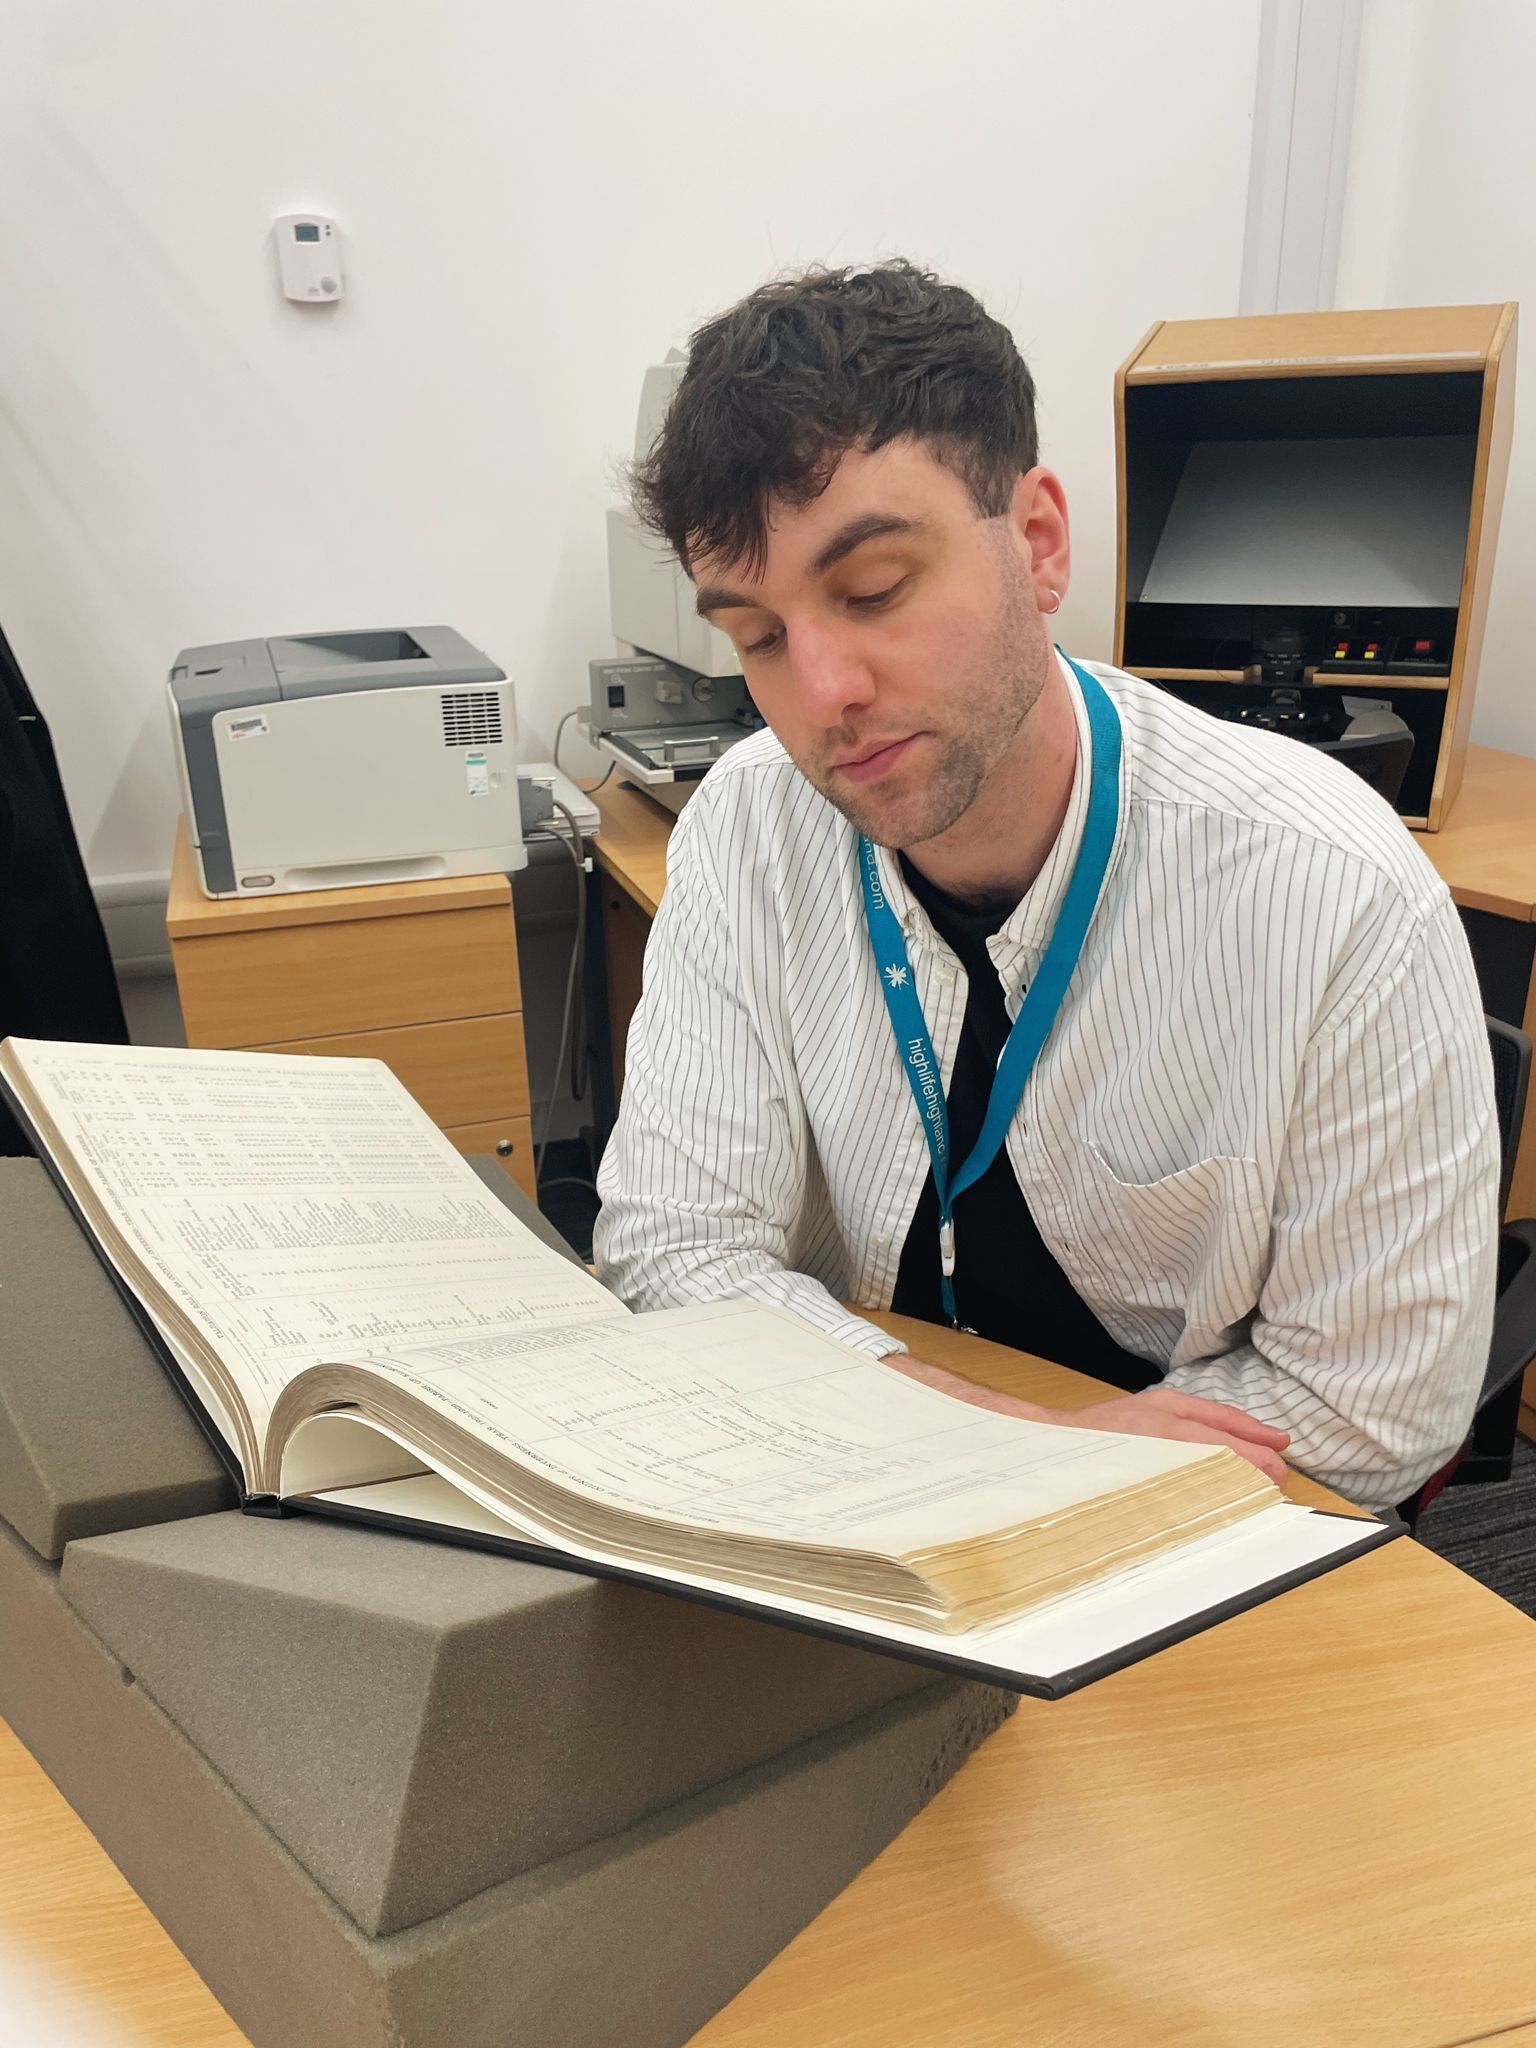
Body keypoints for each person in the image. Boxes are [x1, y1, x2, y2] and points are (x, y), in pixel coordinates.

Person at [593, 261, 1499, 1508]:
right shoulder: (749, 826)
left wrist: (1060, 1480)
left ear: (1037, 541)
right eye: (756, 634)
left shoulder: (1331, 890)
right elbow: (672, 1246)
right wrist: (1013, 1445)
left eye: (873, 591)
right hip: (870, 1483)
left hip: (1196, 1546)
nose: (821, 696)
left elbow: (1377, 1407)